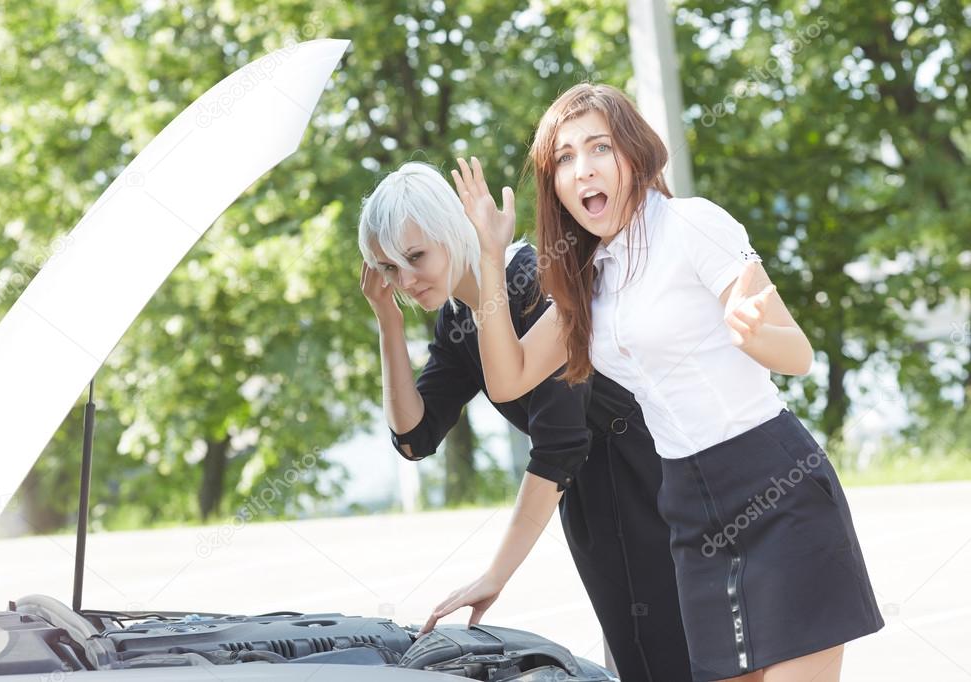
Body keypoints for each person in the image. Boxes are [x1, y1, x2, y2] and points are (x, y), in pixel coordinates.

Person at [450, 83, 884, 682]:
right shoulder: (587, 278)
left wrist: (751, 333)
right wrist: (491, 260)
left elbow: (798, 354)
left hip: (775, 486)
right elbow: (508, 377)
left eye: (599, 147)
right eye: (565, 159)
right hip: (688, 509)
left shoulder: (694, 225)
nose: (583, 170)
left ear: (634, 152)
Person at [358, 161, 693, 681]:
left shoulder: (532, 280)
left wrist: (496, 574)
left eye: (414, 257)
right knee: (641, 662)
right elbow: (413, 438)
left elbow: (559, 444)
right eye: (387, 269)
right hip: (593, 505)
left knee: (675, 660)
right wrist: (388, 325)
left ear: (452, 229)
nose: (403, 280)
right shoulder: (457, 319)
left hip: (651, 484)